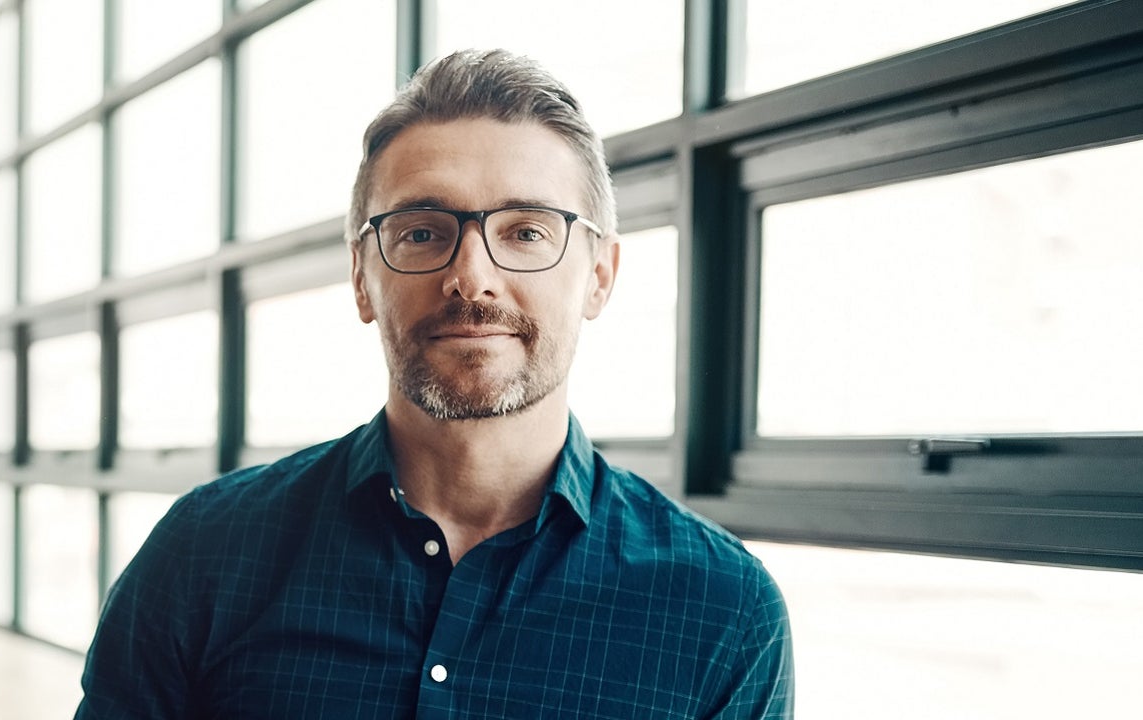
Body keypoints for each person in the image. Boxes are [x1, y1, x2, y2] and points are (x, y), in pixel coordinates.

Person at [77, 49, 792, 718]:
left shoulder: (724, 611)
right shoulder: (203, 555)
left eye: (526, 232)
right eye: (422, 232)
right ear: (362, 278)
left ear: (599, 276)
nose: (472, 277)